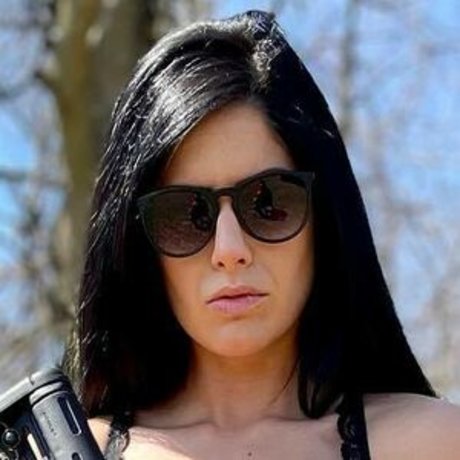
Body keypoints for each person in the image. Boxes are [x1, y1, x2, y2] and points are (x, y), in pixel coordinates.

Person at [63, 9, 460, 460]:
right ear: (138, 245)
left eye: (268, 203)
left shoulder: (437, 444)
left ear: (323, 219)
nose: (229, 250)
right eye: (186, 215)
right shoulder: (67, 453)